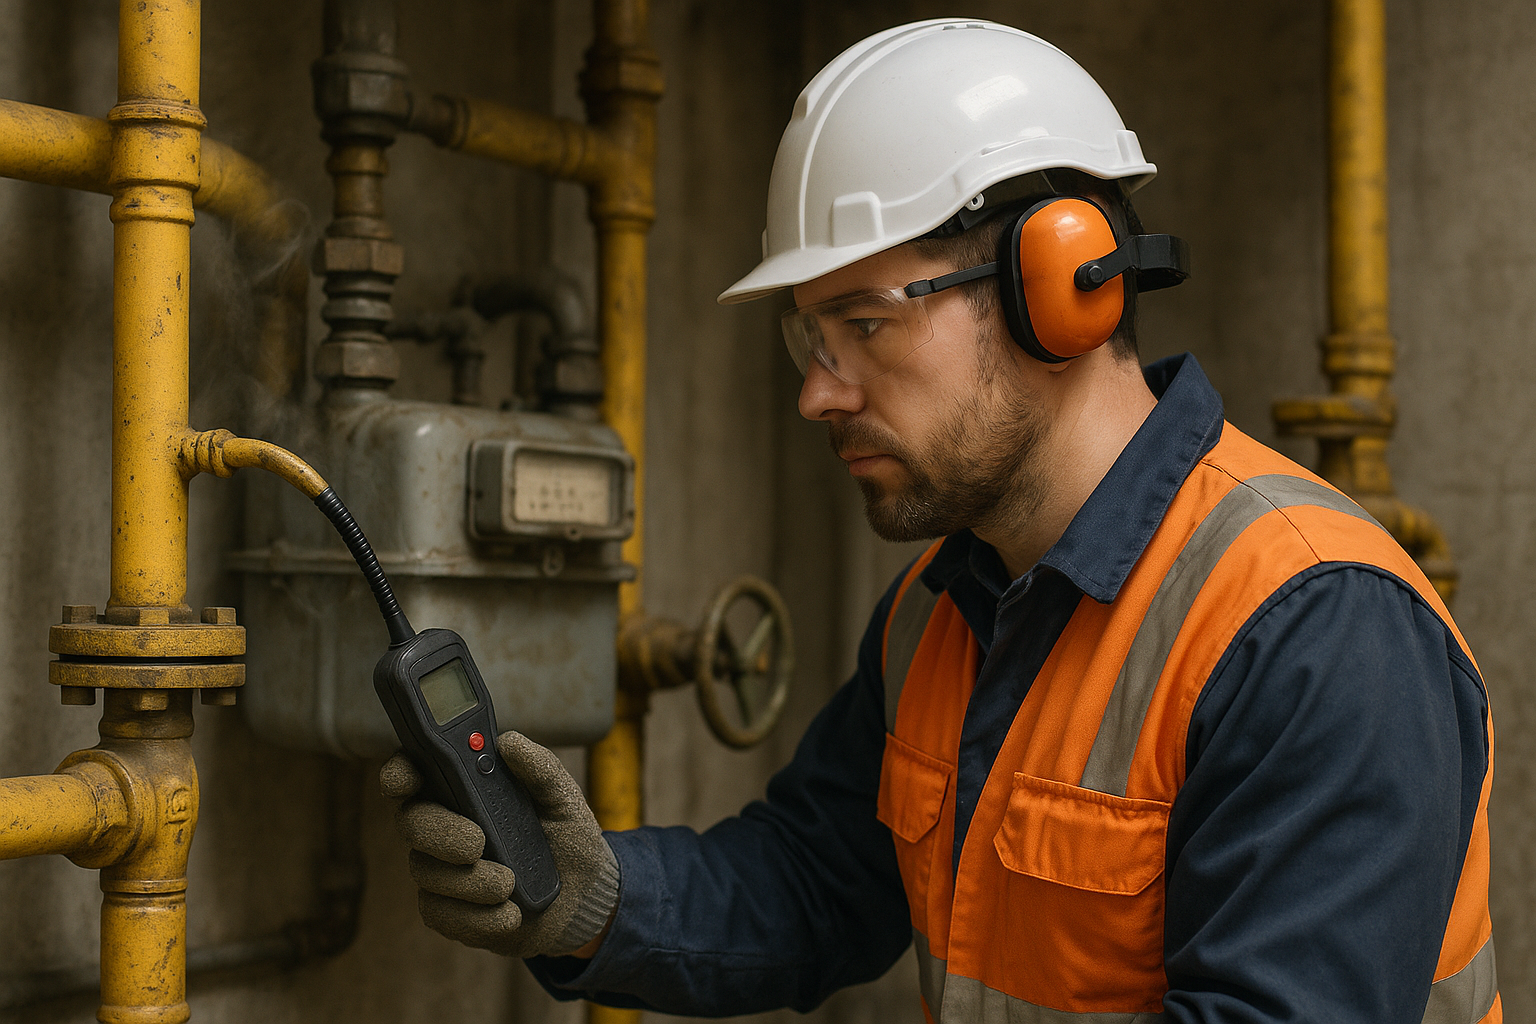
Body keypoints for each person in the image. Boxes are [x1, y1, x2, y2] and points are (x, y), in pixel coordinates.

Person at [381, 20, 1499, 1023]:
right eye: (809, 338)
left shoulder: (1311, 628)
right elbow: (815, 883)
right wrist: (590, 898)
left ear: (1061, 287)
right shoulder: (943, 607)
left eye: (864, 324)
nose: (818, 393)